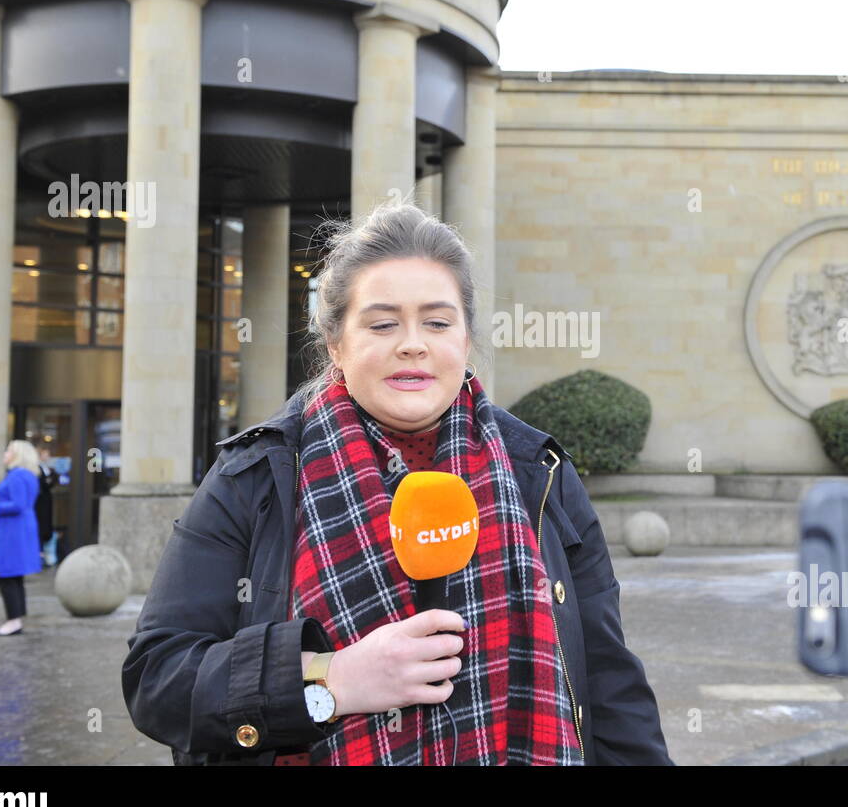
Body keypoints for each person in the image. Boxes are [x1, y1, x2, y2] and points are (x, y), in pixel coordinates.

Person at [123, 202, 673, 765]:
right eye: (383, 323)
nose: (412, 343)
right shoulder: (254, 475)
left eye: (437, 322)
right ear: (335, 343)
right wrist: (326, 676)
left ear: (465, 340)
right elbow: (157, 679)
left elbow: (609, 684)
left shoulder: (541, 472)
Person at [0, 440, 42, 636]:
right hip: (18, 528)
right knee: (14, 577)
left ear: (17, 455)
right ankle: (16, 618)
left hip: (12, 530)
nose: (4, 454)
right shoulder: (27, 475)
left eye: (8, 450)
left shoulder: (16, 476)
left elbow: (18, 505)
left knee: (7, 576)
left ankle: (13, 620)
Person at [34, 445, 59, 566]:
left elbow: (50, 482)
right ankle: (39, 555)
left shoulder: (48, 469)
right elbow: (43, 483)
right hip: (39, 503)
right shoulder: (37, 469)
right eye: (46, 454)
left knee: (45, 526)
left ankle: (44, 554)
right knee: (40, 526)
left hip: (46, 501)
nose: (48, 457)